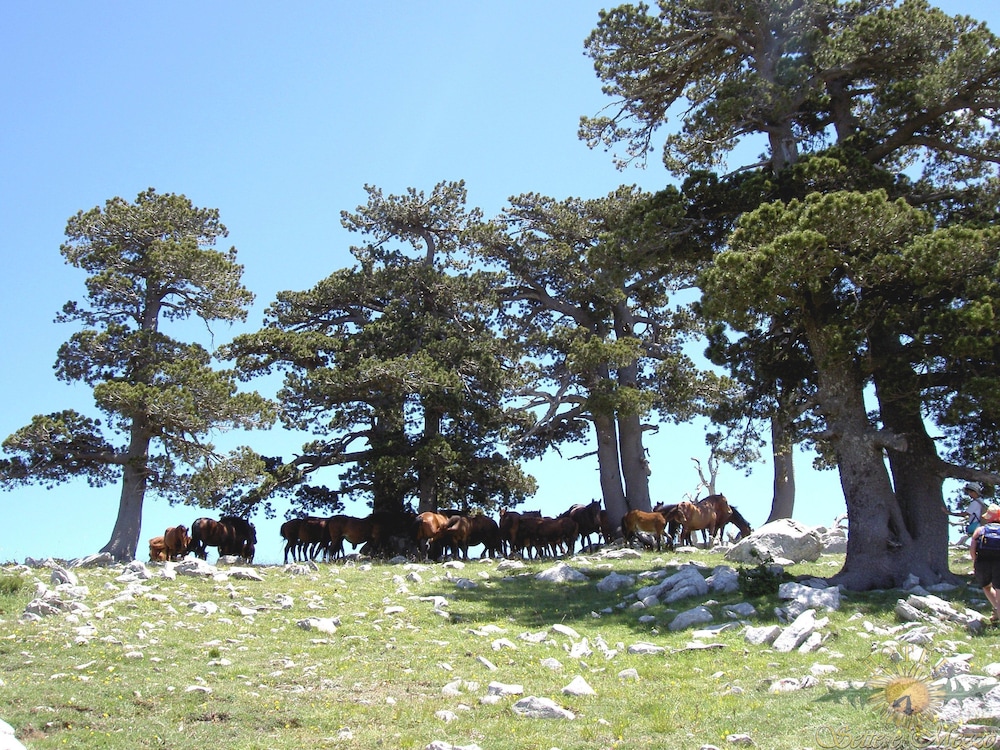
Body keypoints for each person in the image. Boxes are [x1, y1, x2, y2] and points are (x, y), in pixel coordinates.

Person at [971, 521, 1000, 623]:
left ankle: (997, 609)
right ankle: (997, 611)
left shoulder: (980, 530)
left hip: (983, 562)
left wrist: (976, 562)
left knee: (986, 586)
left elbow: (973, 549)